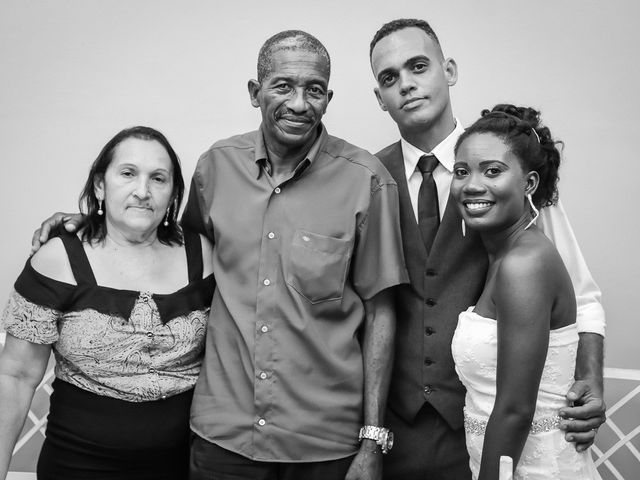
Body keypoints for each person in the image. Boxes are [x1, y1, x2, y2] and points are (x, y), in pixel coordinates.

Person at [29, 31, 408, 480]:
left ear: (329, 97)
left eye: (314, 90)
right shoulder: (216, 167)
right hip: (221, 439)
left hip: (324, 445)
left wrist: (372, 439)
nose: (300, 103)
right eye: (283, 86)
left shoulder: (366, 180)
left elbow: (381, 311)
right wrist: (92, 220)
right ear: (255, 92)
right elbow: (171, 254)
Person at [369, 19, 606, 479]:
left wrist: (591, 380)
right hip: (399, 431)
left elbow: (583, 296)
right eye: (389, 77)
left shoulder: (510, 165)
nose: (407, 85)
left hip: (492, 423)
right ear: (379, 97)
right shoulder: (367, 177)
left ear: (449, 70)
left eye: (419, 66)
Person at [0, 126, 214, 480]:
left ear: (174, 192)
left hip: (183, 465)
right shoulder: (58, 260)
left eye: (158, 178)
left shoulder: (202, 255)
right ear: (101, 185)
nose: (143, 191)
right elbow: (16, 377)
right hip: (78, 464)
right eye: (128, 174)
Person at [450, 104, 602, 479]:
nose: (472, 184)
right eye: (461, 171)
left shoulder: (524, 265)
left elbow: (516, 410)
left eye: (493, 171)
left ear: (529, 184)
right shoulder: (506, 254)